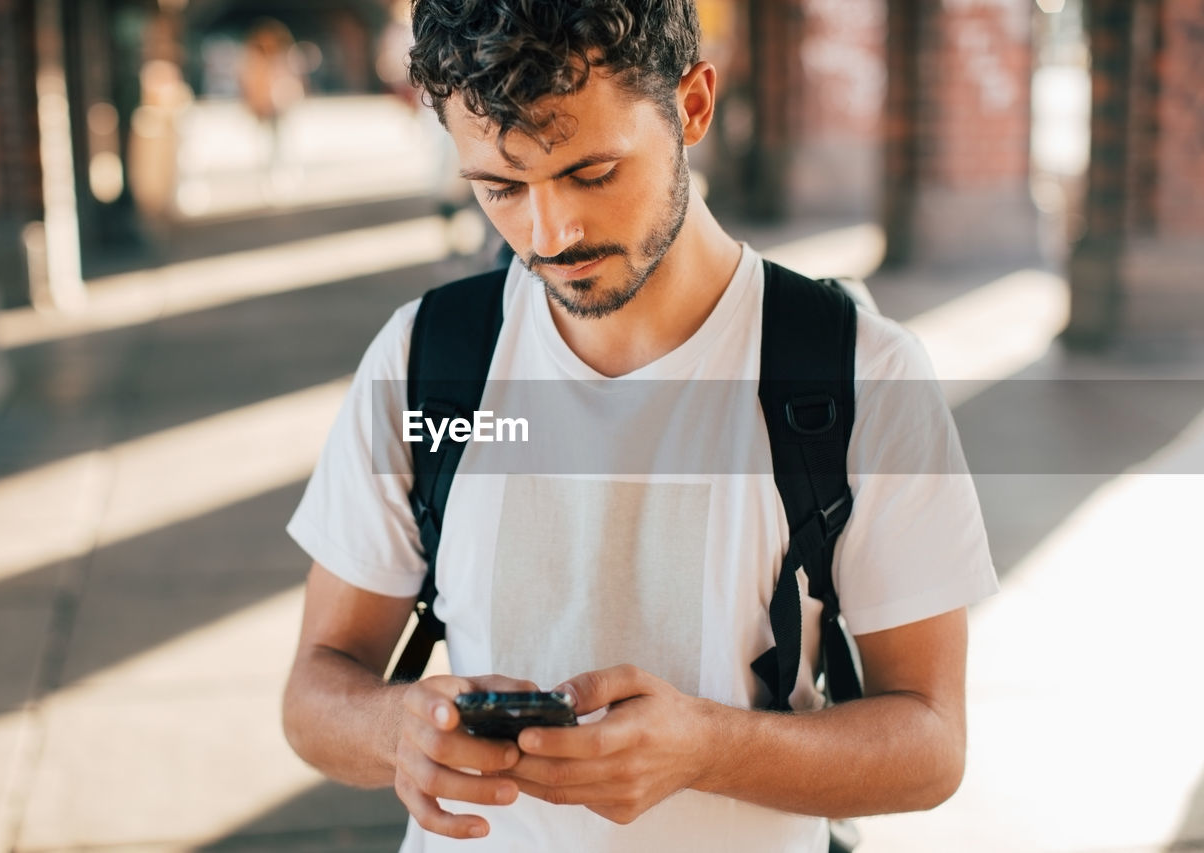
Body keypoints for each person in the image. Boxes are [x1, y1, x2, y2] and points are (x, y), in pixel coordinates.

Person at [281, 2, 998, 850]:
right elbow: (315, 694)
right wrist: (397, 726)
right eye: (501, 189)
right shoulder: (426, 360)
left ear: (692, 105)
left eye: (592, 173)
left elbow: (930, 746)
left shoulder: (862, 376)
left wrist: (708, 750)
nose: (551, 236)